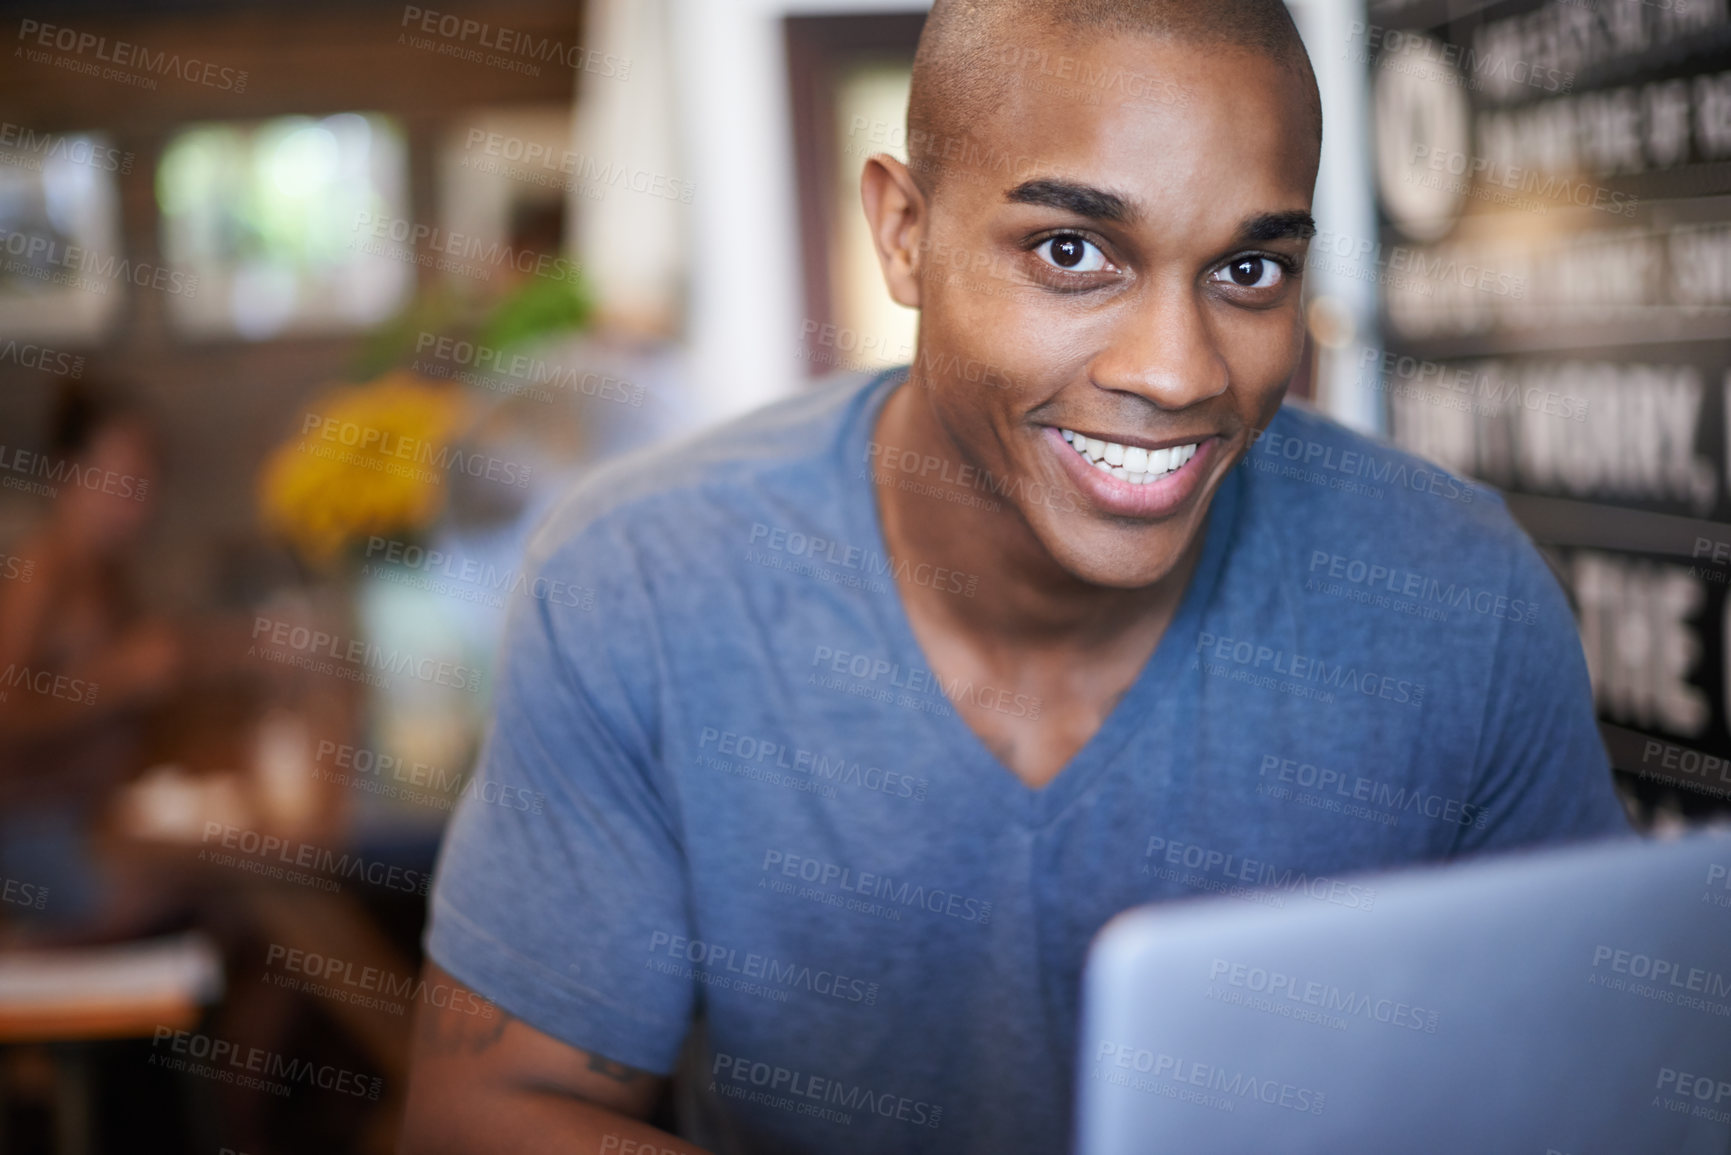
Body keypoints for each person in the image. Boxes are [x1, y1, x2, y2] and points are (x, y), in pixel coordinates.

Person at [401, 2, 1631, 1152]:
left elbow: (1595, 1092)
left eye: (1249, 271)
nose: (1176, 369)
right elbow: (495, 1111)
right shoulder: (645, 585)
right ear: (904, 232)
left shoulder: (1460, 597)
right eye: (1070, 250)